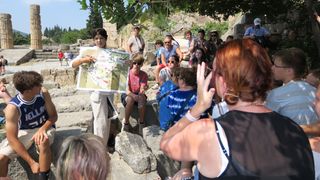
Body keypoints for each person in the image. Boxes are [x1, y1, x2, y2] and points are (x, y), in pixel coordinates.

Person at [160, 39, 315, 179]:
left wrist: (197, 108)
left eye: (215, 72)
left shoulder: (209, 132)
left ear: (225, 81)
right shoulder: (295, 130)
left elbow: (166, 144)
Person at [0, 71, 58, 180]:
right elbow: (12, 138)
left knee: (43, 141)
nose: (41, 86)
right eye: (38, 85)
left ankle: (43, 176)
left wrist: (43, 129)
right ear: (28, 91)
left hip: (45, 125)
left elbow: (53, 116)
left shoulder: (43, 93)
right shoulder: (13, 108)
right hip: (25, 130)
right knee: (1, 158)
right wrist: (31, 163)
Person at [70, 28, 113, 146]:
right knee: (100, 120)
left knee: (107, 118)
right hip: (96, 91)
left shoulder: (111, 53)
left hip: (109, 91)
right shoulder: (89, 51)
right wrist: (84, 59)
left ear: (106, 39)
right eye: (96, 38)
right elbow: (72, 64)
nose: (99, 41)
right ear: (93, 40)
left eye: (101, 38)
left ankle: (103, 144)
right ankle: (99, 148)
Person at [266, 48, 318, 125]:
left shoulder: (276, 95)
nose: (272, 68)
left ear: (289, 70)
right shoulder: (315, 90)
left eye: (276, 65)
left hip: (290, 135)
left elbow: (268, 122)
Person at [121, 54, 148, 134]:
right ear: (132, 63)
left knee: (142, 98)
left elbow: (142, 87)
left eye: (139, 63)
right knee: (130, 99)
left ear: (141, 64)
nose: (136, 65)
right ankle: (126, 122)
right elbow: (127, 90)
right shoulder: (127, 74)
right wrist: (134, 96)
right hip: (127, 94)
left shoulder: (144, 75)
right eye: (134, 63)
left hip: (137, 94)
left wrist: (142, 91)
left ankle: (141, 123)